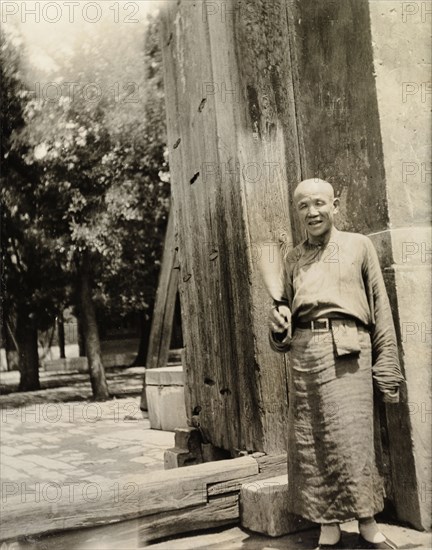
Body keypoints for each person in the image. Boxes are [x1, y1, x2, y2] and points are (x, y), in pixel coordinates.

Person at [268, 179, 404, 550]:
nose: (312, 212)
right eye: (303, 206)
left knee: (354, 439)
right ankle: (328, 527)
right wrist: (278, 323)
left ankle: (368, 523)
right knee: (314, 442)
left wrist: (387, 374)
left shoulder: (359, 246)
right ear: (297, 212)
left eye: (319, 204)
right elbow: (283, 317)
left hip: (350, 350)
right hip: (306, 355)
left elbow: (381, 311)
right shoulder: (293, 258)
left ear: (335, 205)